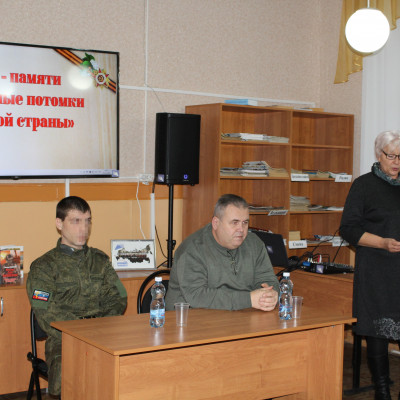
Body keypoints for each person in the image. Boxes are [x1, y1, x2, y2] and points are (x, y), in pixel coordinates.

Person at [26, 196, 127, 398]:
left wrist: (101, 329)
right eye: (75, 221)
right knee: (72, 373)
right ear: (59, 223)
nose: (83, 228)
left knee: (132, 366)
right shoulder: (44, 267)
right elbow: (47, 313)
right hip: (64, 341)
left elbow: (118, 297)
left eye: (87, 221)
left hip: (104, 336)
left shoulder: (100, 261)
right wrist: (83, 334)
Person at [340, 130, 400, 400]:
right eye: (392, 156)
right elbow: (348, 229)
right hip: (377, 270)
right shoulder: (363, 185)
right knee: (378, 331)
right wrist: (382, 243)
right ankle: (382, 391)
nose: (397, 162)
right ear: (379, 155)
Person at [165, 194, 279, 311]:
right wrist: (248, 299)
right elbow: (196, 296)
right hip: (191, 317)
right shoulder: (193, 249)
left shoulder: (254, 244)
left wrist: (271, 295)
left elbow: (268, 280)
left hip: (241, 314)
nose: (241, 229)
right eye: (234, 222)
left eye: (245, 222)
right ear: (216, 223)